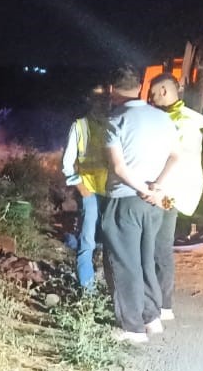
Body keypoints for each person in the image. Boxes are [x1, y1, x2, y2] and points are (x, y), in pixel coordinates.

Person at [98, 66, 179, 344]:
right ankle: (151, 316)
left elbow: (118, 167)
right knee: (146, 260)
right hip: (155, 203)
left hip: (125, 199)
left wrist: (142, 189)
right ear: (140, 88)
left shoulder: (115, 120)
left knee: (125, 263)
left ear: (112, 90)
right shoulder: (164, 119)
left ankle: (132, 328)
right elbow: (176, 157)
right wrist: (157, 188)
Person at [147, 72, 203, 321]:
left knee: (159, 247)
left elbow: (178, 160)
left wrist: (157, 187)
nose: (151, 100)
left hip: (167, 193)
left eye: (153, 94)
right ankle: (160, 303)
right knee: (157, 247)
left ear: (164, 91)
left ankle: (162, 305)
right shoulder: (174, 117)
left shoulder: (185, 122)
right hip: (165, 191)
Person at [60, 90, 109, 292]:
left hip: (112, 192)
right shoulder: (79, 126)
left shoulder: (114, 123)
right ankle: (87, 291)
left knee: (111, 243)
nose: (102, 104)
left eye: (104, 99)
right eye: (97, 99)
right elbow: (67, 164)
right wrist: (80, 187)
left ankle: (109, 289)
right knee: (87, 241)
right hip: (90, 191)